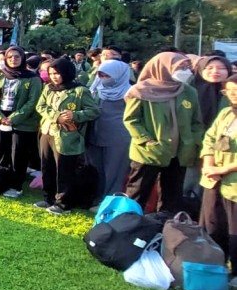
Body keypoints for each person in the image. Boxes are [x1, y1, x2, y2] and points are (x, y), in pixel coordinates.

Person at [123, 52, 205, 213]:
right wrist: (147, 140)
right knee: (138, 192)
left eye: (187, 67)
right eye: (180, 67)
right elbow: (131, 120)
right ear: (163, 68)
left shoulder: (189, 91)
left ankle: (165, 229)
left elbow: (196, 122)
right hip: (148, 152)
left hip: (179, 153)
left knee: (172, 196)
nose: (185, 71)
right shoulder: (141, 91)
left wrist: (194, 143)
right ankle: (129, 227)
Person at [35, 58, 100, 215]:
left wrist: (75, 115)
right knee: (47, 166)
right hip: (47, 131)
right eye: (51, 74)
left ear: (66, 72)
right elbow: (40, 106)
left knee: (64, 169)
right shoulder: (48, 88)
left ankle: (63, 202)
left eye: (57, 73)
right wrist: (56, 116)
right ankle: (48, 197)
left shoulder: (80, 91)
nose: (54, 77)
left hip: (67, 135)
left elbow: (94, 111)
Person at [0, 46, 42, 198]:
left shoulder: (32, 78)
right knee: (1, 151)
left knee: (18, 154)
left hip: (22, 122)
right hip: (0, 118)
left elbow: (32, 102)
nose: (13, 60)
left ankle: (16, 186)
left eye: (17, 57)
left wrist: (14, 118)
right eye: (10, 57)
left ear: (23, 58)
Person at [198, 73, 237, 289]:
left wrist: (223, 169)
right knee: (212, 224)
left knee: (235, 229)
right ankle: (215, 265)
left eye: (236, 91)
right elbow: (210, 139)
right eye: (228, 91)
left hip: (233, 182)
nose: (233, 96)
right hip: (213, 179)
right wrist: (209, 163)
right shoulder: (225, 113)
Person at [186, 55, 234, 197]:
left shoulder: (232, 91)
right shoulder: (188, 91)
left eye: (221, 68)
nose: (215, 71)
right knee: (191, 183)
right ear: (200, 69)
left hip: (227, 150)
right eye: (210, 68)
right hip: (192, 145)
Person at [89, 59, 133, 206]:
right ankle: (94, 197)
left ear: (119, 75)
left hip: (118, 136)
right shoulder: (95, 88)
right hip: (95, 133)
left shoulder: (131, 92)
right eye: (100, 75)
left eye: (107, 76)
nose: (103, 79)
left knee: (114, 171)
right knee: (96, 168)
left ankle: (109, 201)